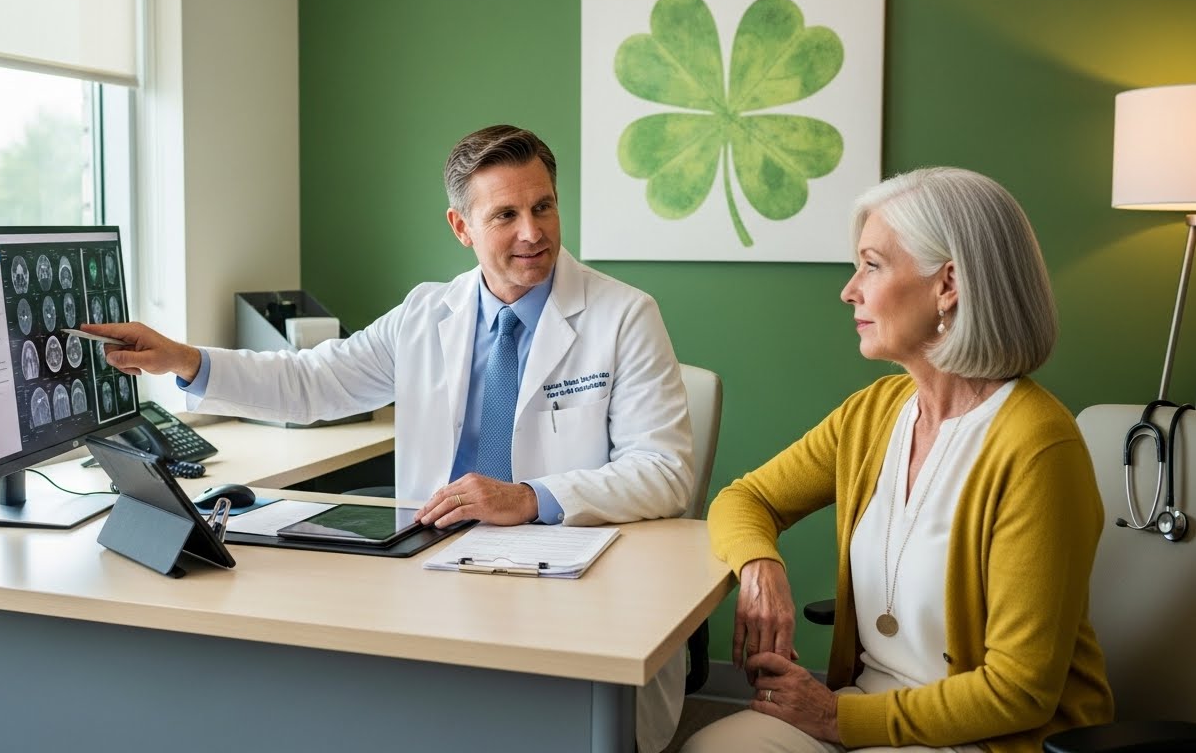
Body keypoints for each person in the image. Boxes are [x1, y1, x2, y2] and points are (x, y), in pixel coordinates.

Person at [84, 124, 695, 753]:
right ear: (461, 227)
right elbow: (312, 381)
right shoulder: (426, 313)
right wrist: (185, 360)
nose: (532, 233)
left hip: (565, 585)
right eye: (505, 214)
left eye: (543, 207)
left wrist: (529, 497)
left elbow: (665, 471)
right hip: (435, 572)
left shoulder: (624, 316)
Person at [684, 168, 1113, 753]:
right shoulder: (875, 413)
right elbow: (743, 499)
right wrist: (762, 569)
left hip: (988, 737)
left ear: (949, 284)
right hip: (864, 709)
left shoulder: (1038, 448)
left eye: (873, 265)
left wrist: (836, 719)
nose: (849, 290)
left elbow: (1018, 692)